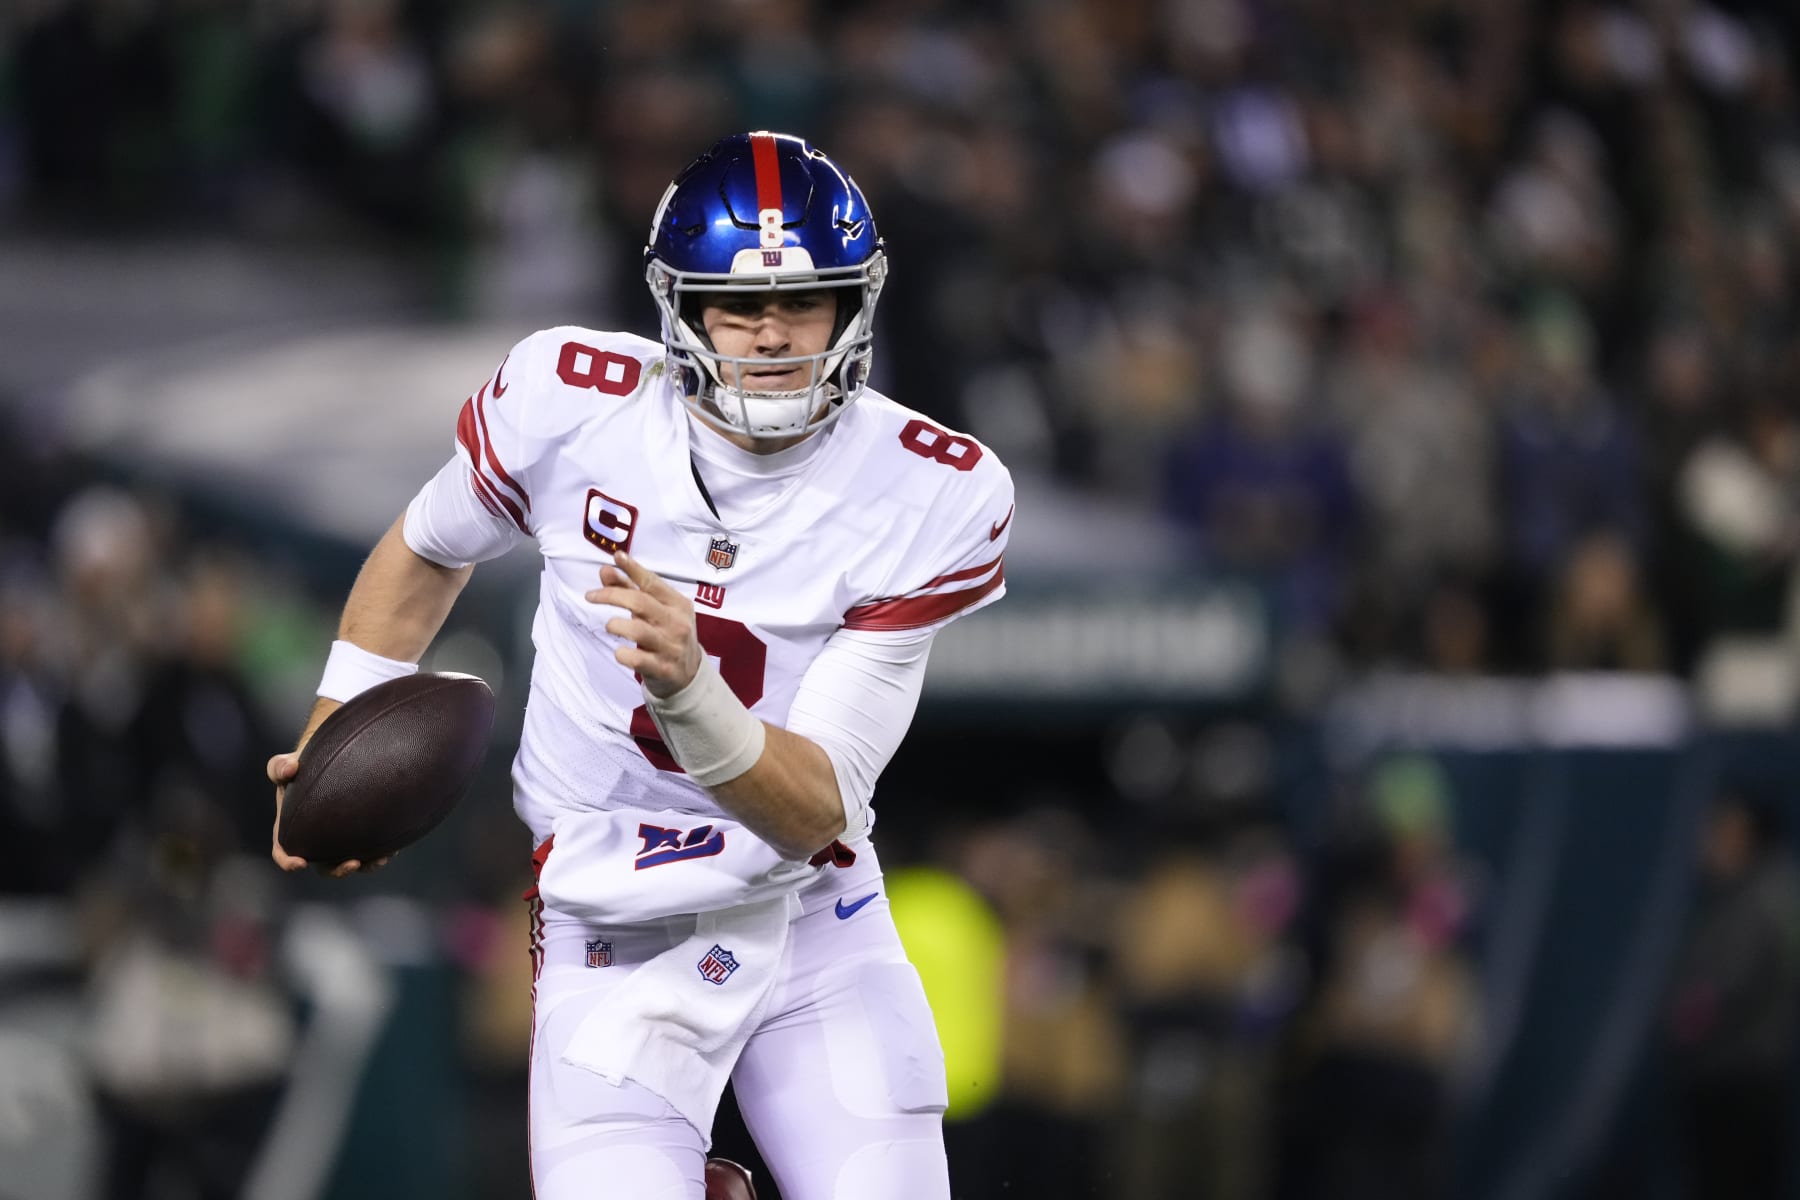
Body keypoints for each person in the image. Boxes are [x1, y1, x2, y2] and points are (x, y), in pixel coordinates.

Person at [266, 131, 1014, 1200]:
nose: (771, 337)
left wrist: (689, 685)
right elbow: (431, 547)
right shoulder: (571, 402)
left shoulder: (934, 492)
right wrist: (339, 719)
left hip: (810, 921)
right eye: (739, 306)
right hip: (608, 927)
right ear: (681, 307)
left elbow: (816, 813)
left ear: (855, 306)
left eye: (804, 304)